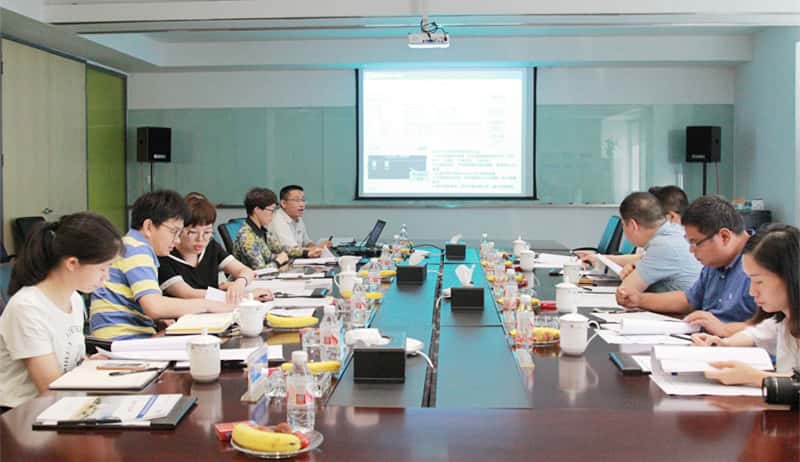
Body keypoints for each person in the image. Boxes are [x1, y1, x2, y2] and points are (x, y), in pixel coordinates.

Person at [0, 213, 122, 409]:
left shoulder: (73, 298)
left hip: (62, 405)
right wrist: (87, 372)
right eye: (102, 268)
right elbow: (51, 387)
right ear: (72, 263)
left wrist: (89, 363)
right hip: (23, 415)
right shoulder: (27, 308)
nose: (106, 277)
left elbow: (69, 362)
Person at [89, 190, 234, 340]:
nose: (177, 240)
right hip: (123, 341)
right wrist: (207, 304)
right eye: (174, 232)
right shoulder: (136, 250)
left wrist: (158, 319)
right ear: (148, 227)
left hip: (129, 337)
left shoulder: (133, 246)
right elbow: (154, 307)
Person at [616, 195, 758, 336]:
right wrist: (639, 299)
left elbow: (768, 327)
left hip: (737, 345)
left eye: (696, 243)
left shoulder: (761, 261)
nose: (691, 250)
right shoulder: (716, 261)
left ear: (724, 237)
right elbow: (689, 300)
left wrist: (724, 329)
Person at [692, 224, 800, 387]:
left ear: (791, 276)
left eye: (759, 281)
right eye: (750, 280)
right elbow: (756, 334)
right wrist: (723, 343)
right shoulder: (785, 318)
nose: (752, 291)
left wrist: (755, 377)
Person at [158, 193, 273, 305]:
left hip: (217, 311)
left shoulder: (210, 246)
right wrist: (245, 297)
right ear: (179, 230)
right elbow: (188, 293)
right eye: (192, 232)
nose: (201, 239)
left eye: (207, 232)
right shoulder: (164, 254)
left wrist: (240, 283)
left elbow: (245, 271)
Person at [592, 192, 701, 294]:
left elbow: (625, 292)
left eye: (624, 224)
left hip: (680, 308)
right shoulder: (675, 231)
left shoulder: (662, 245)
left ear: (633, 225)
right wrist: (634, 270)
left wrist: (630, 278)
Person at [233, 187, 320, 270]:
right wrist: (278, 262)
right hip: (250, 280)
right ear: (257, 210)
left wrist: (306, 253)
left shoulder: (262, 231)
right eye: (271, 211)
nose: (273, 215)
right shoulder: (247, 237)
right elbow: (260, 271)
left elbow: (280, 248)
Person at [269, 185, 330, 249]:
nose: (302, 204)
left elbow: (307, 243)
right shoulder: (278, 220)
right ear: (284, 203)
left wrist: (318, 247)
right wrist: (318, 248)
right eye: (297, 200)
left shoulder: (298, 218)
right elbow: (293, 250)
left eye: (303, 200)